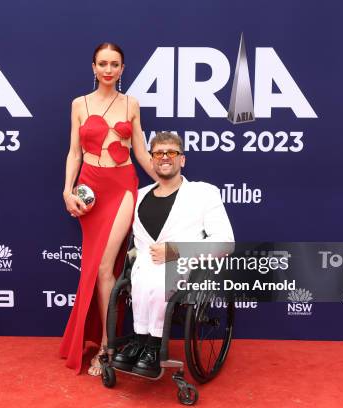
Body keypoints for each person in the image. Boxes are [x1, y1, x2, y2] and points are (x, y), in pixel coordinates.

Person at [59, 43, 157, 375]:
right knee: (95, 269)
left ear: (123, 68)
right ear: (93, 67)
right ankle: (100, 339)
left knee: (105, 267)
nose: (108, 69)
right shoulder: (79, 104)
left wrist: (169, 180)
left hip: (122, 185)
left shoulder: (131, 104)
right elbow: (74, 152)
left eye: (115, 64)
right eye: (103, 63)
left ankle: (106, 347)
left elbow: (141, 152)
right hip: (90, 187)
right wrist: (66, 190)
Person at [112, 131, 234, 377]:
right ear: (152, 159)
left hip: (185, 265)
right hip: (144, 265)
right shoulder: (139, 195)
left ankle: (154, 346)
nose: (164, 157)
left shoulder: (203, 193)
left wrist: (176, 251)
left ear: (182, 160)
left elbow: (226, 243)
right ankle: (139, 341)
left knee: (159, 281)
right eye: (158, 153)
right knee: (144, 278)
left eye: (171, 152)